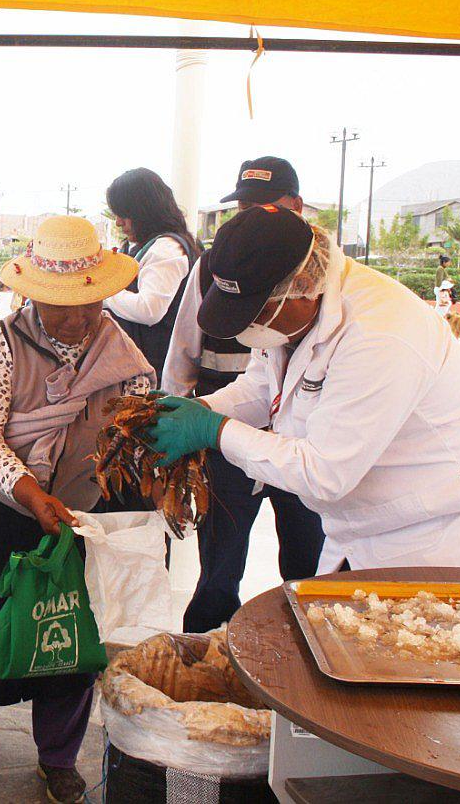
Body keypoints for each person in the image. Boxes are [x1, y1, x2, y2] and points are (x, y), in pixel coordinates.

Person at [0, 216, 152, 803]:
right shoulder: (3, 340)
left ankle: (58, 757)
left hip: (66, 514)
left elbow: (137, 431)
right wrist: (28, 490)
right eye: (59, 305)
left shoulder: (123, 354)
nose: (75, 318)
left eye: (87, 304)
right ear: (31, 294)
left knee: (63, 638)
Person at [150, 205, 460, 575]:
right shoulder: (293, 314)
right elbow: (263, 385)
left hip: (442, 532)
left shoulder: (382, 333)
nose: (249, 328)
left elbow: (324, 471)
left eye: (257, 312)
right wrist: (199, 409)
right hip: (366, 524)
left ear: (302, 286)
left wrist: (213, 430)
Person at [161, 157, 324, 632]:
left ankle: (306, 658)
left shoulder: (322, 293)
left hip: (302, 444)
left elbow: (328, 473)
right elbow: (188, 354)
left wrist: (213, 424)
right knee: (219, 566)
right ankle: (207, 661)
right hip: (228, 444)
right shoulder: (216, 262)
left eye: (263, 206)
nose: (249, 216)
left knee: (308, 565)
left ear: (296, 206)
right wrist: (190, 414)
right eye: (243, 206)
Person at [103, 167, 200, 380]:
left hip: (154, 369)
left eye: (123, 214)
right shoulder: (138, 245)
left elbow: (150, 310)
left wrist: (103, 292)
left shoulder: (166, 249)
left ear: (143, 211)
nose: (118, 222)